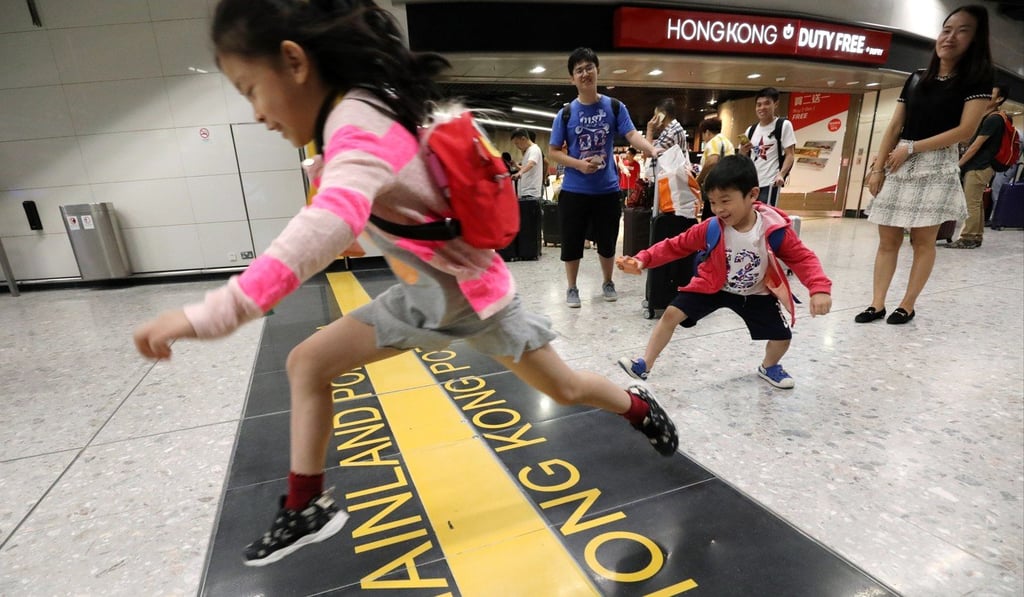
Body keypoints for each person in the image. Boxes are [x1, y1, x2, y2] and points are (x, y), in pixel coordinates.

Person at [132, 0, 679, 567]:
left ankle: (638, 409)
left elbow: (328, 220)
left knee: (563, 389)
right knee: (306, 364)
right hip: (420, 298)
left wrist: (211, 314)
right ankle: (305, 506)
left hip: (472, 298)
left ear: (294, 62)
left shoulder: (356, 122)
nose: (256, 113)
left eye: (249, 88)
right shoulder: (356, 112)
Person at [614, 156, 832, 389]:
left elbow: (802, 257)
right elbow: (675, 245)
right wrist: (642, 259)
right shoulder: (711, 227)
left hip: (756, 293)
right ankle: (644, 365)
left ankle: (769, 366)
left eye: (725, 201)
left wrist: (819, 288)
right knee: (670, 314)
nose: (718, 209)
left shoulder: (773, 229)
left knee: (782, 338)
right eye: (713, 202)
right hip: (713, 286)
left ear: (753, 195)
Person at [855, 4, 993, 325]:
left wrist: (913, 148)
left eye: (962, 30)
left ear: (975, 39)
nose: (950, 37)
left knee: (922, 241)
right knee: (887, 239)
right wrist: (878, 168)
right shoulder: (916, 78)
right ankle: (877, 303)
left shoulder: (976, 80)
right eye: (946, 30)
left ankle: (908, 303)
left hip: (935, 163)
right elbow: (894, 125)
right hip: (899, 162)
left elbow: (965, 131)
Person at [549, 47, 660, 308]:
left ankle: (608, 281)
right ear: (571, 79)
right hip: (575, 190)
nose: (585, 73)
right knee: (572, 241)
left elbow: (632, 135)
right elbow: (553, 151)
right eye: (579, 70)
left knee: (608, 240)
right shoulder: (565, 114)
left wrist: (652, 149)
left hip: (607, 189)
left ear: (597, 71)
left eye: (589, 68)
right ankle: (572, 287)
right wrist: (578, 164)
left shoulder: (614, 106)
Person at [950, 84, 1009, 248]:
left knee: (971, 202)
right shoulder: (990, 117)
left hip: (980, 165)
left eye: (991, 94)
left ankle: (967, 238)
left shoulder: (993, 119)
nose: (986, 95)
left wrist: (958, 165)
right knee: (977, 202)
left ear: (999, 99)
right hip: (982, 166)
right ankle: (976, 236)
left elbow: (975, 146)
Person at [738, 87, 796, 207]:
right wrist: (742, 151)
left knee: (766, 216)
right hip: (751, 184)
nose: (762, 108)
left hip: (770, 183)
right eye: (759, 105)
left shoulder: (783, 125)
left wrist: (781, 174)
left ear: (775, 104)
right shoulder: (751, 130)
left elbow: (790, 154)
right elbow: (742, 158)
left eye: (767, 103)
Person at [696, 116, 735, 220]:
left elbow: (712, 160)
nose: (704, 139)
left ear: (707, 132)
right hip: (728, 186)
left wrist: (699, 179)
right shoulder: (728, 143)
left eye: (703, 135)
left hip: (716, 187)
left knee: (710, 219)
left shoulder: (713, 141)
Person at [510, 128, 543, 201]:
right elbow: (526, 168)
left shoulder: (534, 149)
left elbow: (531, 164)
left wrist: (520, 173)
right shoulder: (528, 150)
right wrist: (516, 166)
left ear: (523, 139)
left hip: (531, 193)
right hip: (525, 191)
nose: (517, 146)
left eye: (517, 143)